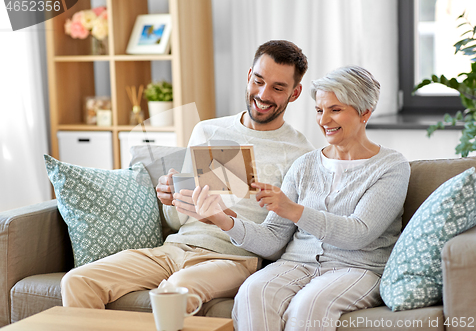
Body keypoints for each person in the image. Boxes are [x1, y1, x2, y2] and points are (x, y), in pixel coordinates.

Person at [60, 40, 315, 311]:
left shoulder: (301, 154)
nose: (263, 94)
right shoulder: (207, 131)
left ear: (295, 93)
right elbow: (177, 219)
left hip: (235, 259)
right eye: (259, 81)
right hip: (175, 248)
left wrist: (225, 219)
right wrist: (171, 198)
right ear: (249, 75)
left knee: (174, 292)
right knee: (78, 280)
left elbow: (277, 243)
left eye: (278, 88)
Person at [181, 66, 411, 330]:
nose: (324, 120)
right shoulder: (304, 165)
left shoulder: (391, 166)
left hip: (357, 269)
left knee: (310, 305)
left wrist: (293, 209)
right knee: (251, 292)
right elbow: (273, 238)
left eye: (335, 110)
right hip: (296, 264)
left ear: (365, 113)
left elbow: (359, 233)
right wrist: (224, 220)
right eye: (319, 110)